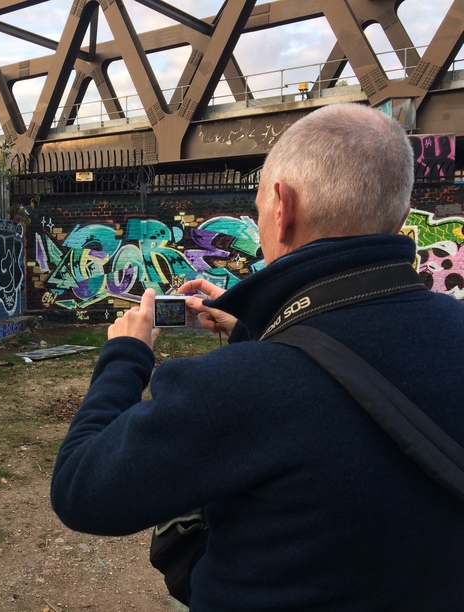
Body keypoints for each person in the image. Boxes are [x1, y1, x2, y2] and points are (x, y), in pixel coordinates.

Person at [50, 103, 464, 610]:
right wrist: (256, 330)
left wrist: (125, 354)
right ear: (400, 217)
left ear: (282, 206)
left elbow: (82, 489)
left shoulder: (230, 386)